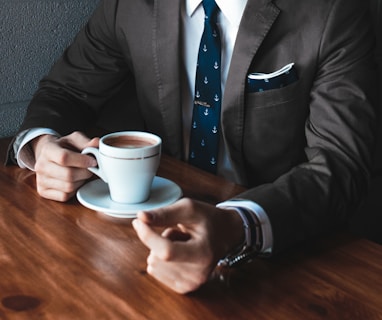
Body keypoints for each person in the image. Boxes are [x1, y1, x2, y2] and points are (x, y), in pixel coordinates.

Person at [7, 0, 378, 294]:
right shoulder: (130, 5)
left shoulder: (333, 11)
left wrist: (238, 225)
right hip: (140, 239)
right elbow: (66, 90)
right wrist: (40, 145)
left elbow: (340, 164)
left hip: (282, 256)